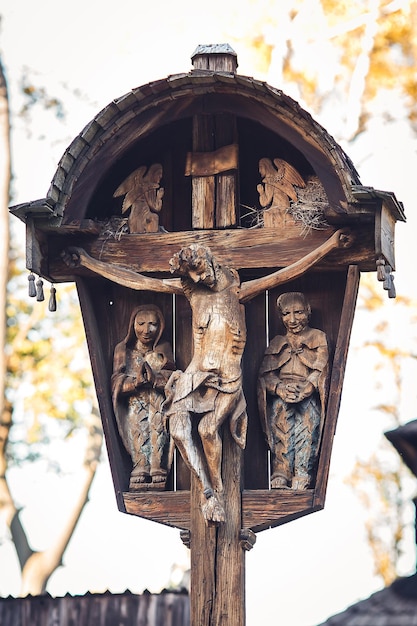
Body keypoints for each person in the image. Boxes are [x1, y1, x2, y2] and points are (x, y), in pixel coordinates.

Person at [62, 228, 348, 521]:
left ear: (211, 263)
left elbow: (286, 273)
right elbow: (140, 282)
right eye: (193, 277)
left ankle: (218, 491)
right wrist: (89, 263)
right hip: (196, 373)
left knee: (207, 430)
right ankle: (209, 492)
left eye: (201, 272)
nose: (200, 280)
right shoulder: (192, 294)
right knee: (177, 429)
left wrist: (329, 246)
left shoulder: (236, 291)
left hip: (227, 378)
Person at [257, 292, 329, 490]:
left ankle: (302, 470)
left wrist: (309, 386)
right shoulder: (277, 342)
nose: (293, 319)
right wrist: (279, 388)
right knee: (281, 426)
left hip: (306, 392)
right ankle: (282, 470)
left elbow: (322, 366)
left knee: (307, 426)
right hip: (283, 394)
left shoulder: (318, 337)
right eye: (287, 314)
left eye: (298, 312)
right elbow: (265, 374)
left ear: (308, 312)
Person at [111, 304, 175, 490]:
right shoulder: (125, 352)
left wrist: (155, 379)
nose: (146, 330)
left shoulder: (163, 352)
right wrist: (134, 383)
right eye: (141, 324)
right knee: (138, 429)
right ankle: (140, 466)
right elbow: (115, 382)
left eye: (152, 324)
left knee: (159, 428)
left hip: (158, 402)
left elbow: (173, 380)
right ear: (133, 325)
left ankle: (157, 466)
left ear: (160, 327)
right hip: (134, 402)